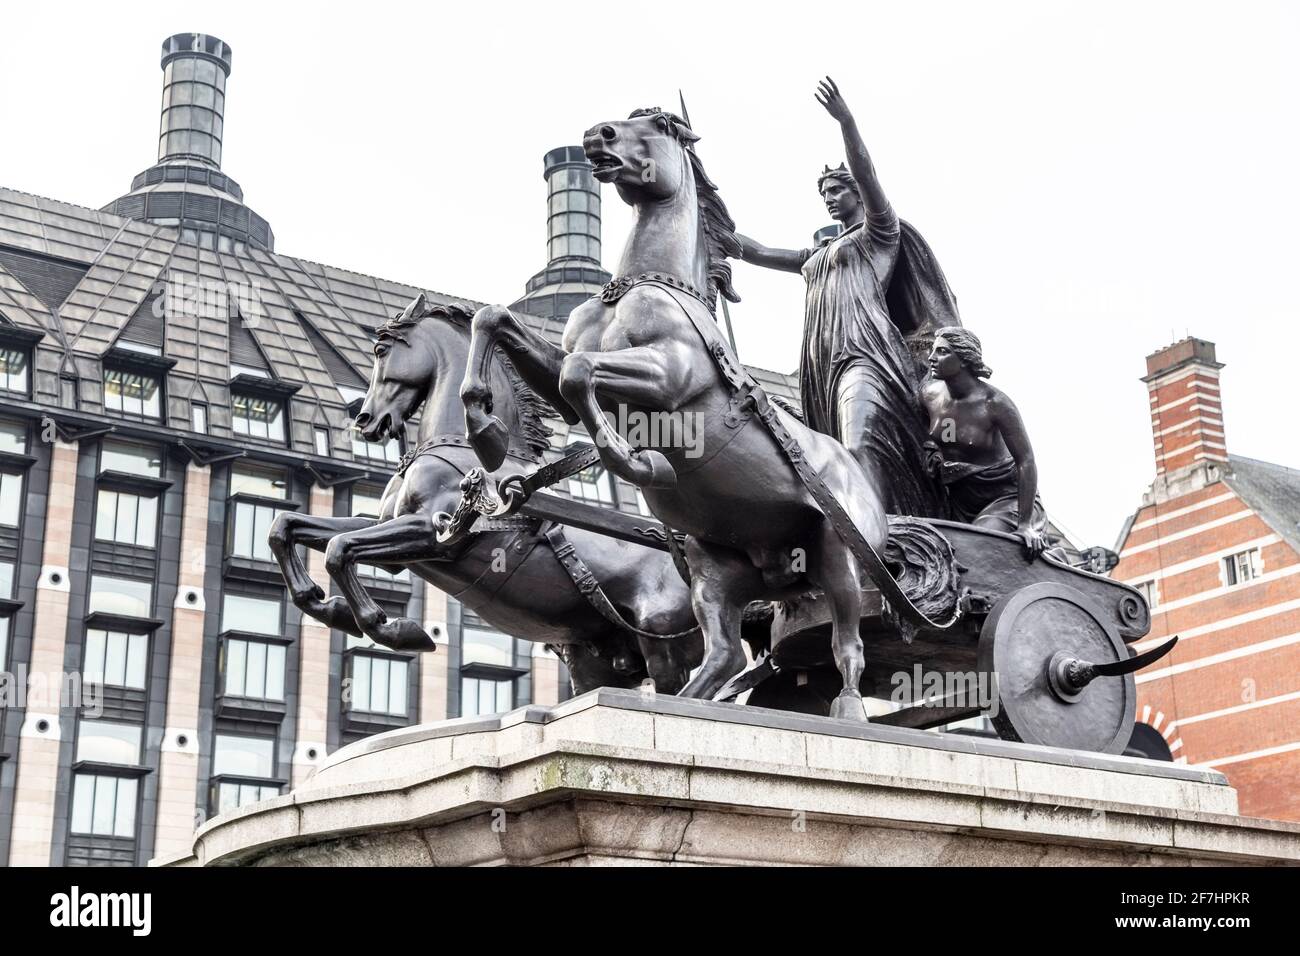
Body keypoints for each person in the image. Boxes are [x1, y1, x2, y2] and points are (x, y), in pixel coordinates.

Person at [736, 77, 950, 517]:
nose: (830, 198)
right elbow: (754, 251)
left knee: (859, 442)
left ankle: (881, 534)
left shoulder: (879, 234)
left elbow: (868, 172)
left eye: (838, 190)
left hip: (866, 353)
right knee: (828, 450)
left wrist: (846, 122)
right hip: (820, 366)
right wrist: (701, 210)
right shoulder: (818, 254)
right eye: (825, 193)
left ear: (856, 192)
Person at [919, 327, 1049, 557]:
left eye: (942, 352)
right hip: (958, 501)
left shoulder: (995, 404)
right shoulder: (929, 395)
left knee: (974, 546)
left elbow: (1026, 461)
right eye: (933, 350)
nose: (931, 357)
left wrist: (1025, 524)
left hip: (1005, 499)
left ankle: (1051, 556)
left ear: (964, 360)